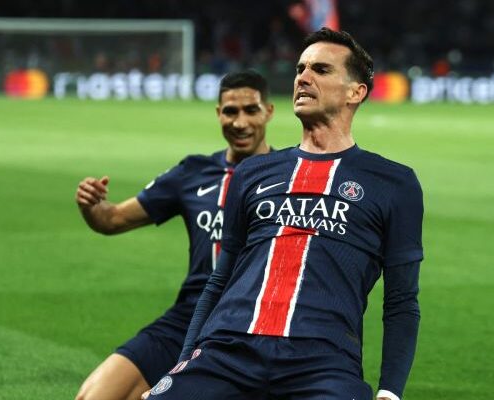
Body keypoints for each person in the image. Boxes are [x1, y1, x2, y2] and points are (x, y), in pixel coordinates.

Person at [145, 28, 423, 400]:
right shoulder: (252, 172)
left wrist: (390, 391)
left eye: (321, 70)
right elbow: (220, 279)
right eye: (300, 68)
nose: (303, 77)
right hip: (228, 350)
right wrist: (183, 364)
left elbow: (402, 300)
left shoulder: (393, 183)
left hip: (323, 362)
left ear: (355, 92)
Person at [74, 70, 275, 400]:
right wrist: (91, 205)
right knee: (93, 396)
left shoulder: (289, 175)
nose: (240, 123)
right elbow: (112, 220)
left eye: (250, 110)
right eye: (230, 111)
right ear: (218, 113)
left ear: (268, 111)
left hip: (253, 325)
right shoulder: (194, 172)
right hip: (189, 317)